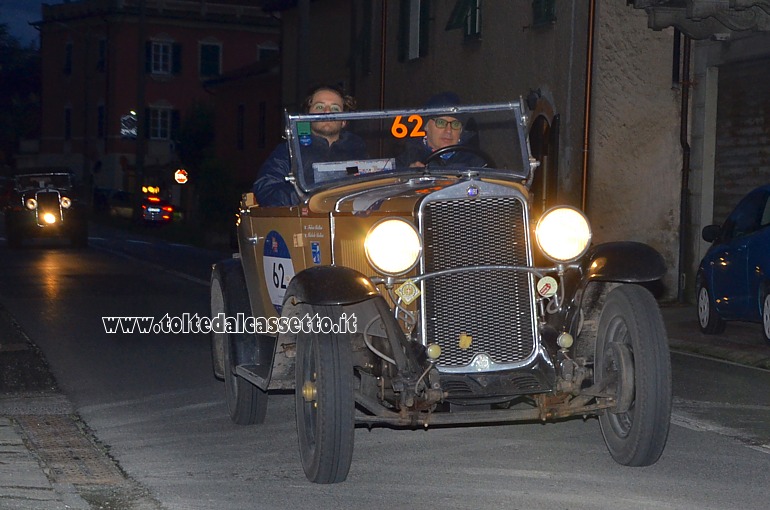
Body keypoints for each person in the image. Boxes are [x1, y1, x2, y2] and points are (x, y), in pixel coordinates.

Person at [252, 85, 367, 206]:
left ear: (344, 120)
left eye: (335, 108)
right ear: (307, 116)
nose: (327, 112)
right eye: (320, 107)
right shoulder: (290, 149)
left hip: (347, 220)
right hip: (306, 221)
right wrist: (306, 196)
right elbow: (265, 188)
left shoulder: (357, 149)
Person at [396, 91, 485, 168]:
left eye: (455, 124)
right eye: (441, 123)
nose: (449, 130)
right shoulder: (407, 159)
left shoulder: (475, 161)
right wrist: (408, 177)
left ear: (461, 130)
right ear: (426, 126)